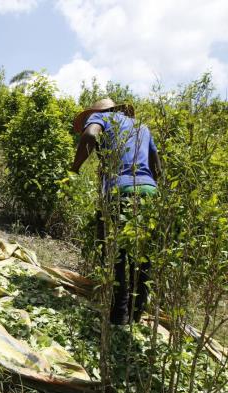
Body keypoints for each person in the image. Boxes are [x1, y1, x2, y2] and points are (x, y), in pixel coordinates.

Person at [71, 98, 161, 325]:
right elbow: (157, 166)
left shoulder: (100, 117)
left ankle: (119, 315)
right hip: (150, 190)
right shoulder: (141, 126)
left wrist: (75, 167)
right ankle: (136, 313)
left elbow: (90, 135)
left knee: (117, 252)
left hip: (120, 189)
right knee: (143, 255)